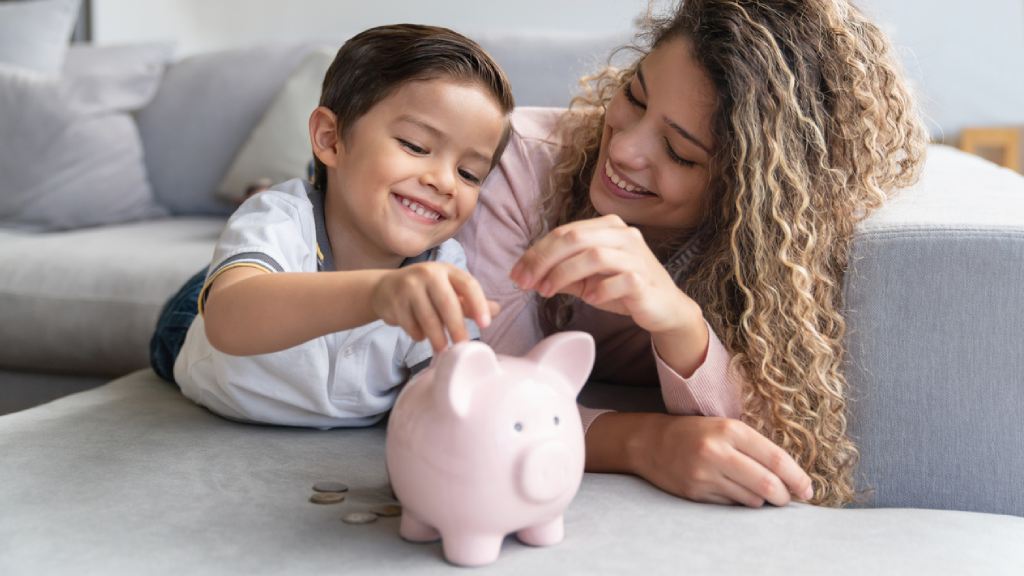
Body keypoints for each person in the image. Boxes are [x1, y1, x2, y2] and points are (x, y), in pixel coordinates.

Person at [455, 0, 927, 507]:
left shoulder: (774, 249)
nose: (624, 150)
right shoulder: (516, 165)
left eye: (679, 152)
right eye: (634, 98)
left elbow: (777, 442)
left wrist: (681, 323)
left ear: (746, 189)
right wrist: (644, 442)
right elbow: (486, 401)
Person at [149, 24, 514, 428]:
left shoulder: (443, 268)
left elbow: (448, 396)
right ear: (330, 138)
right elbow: (227, 320)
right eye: (414, 146)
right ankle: (249, 230)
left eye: (469, 173)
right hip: (200, 326)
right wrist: (378, 294)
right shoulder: (282, 219)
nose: (444, 182)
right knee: (231, 269)